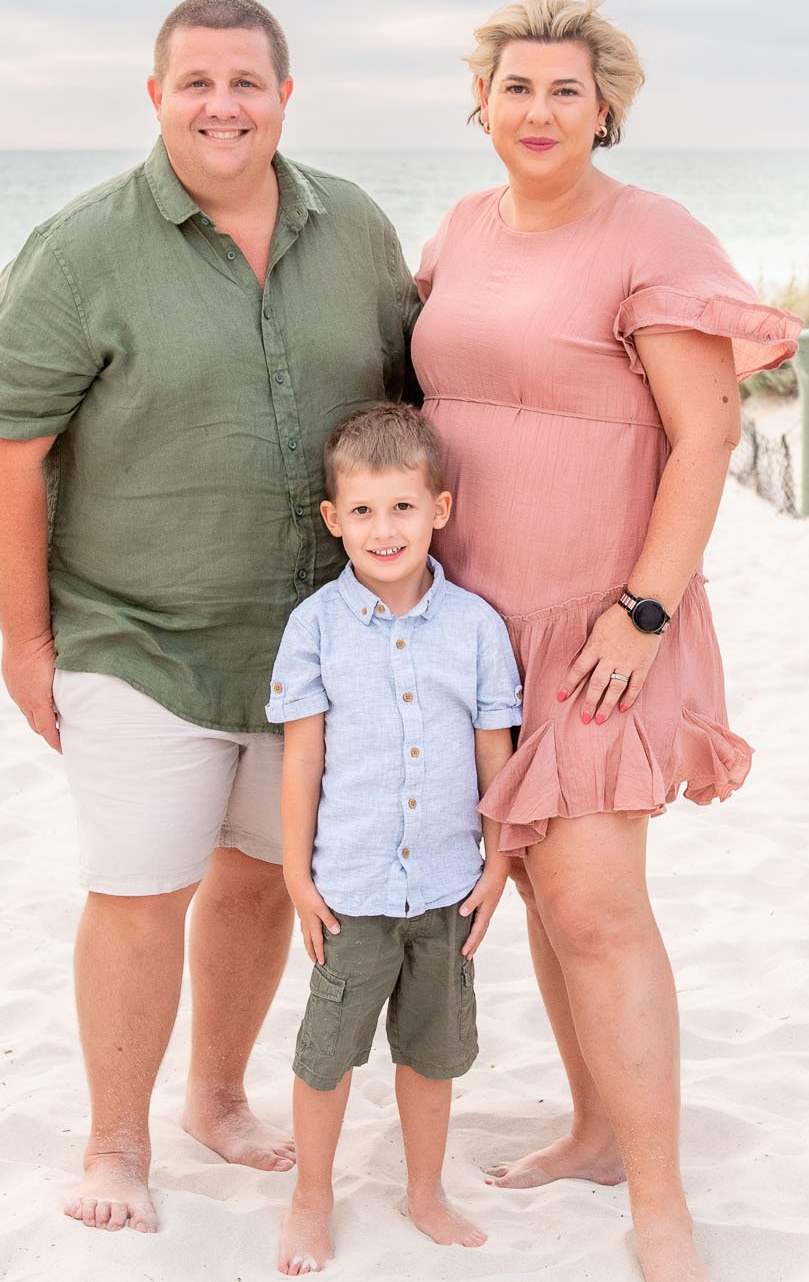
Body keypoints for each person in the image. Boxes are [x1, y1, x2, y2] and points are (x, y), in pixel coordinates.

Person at [0, 0, 419, 1235]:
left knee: (263, 876)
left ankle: (215, 1098)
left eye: (247, 82)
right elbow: (5, 448)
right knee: (138, 883)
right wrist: (23, 640)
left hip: (311, 639)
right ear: (156, 95)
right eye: (197, 82)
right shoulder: (78, 252)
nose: (223, 104)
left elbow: (413, 405)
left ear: (285, 96)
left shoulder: (358, 229)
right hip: (135, 635)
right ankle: (115, 1141)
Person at [411, 0, 800, 1282]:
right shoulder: (461, 229)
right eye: (515, 86)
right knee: (528, 877)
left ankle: (662, 1201)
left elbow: (706, 437)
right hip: (469, 620)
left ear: (605, 108)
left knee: (596, 904)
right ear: (481, 102)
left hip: (600, 620)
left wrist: (644, 609)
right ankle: (590, 1129)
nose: (537, 108)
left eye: (564, 90)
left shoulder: (653, 236)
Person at [267, 402, 520, 1275]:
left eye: (403, 507)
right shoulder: (316, 629)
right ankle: (311, 1196)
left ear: (439, 509)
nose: (385, 529)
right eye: (364, 511)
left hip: (449, 886)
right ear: (335, 519)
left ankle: (425, 1190)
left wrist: (501, 858)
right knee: (327, 1055)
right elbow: (301, 762)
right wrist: (296, 875)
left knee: (433, 1050)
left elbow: (497, 751)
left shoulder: (478, 628)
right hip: (352, 891)